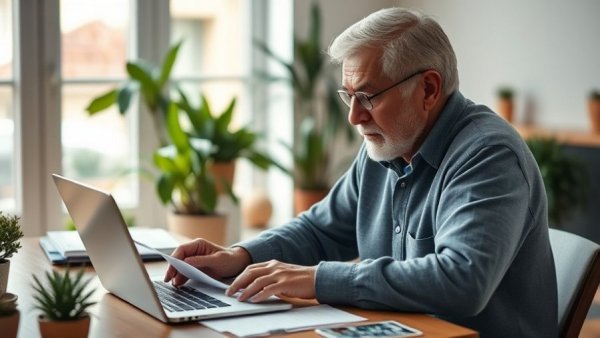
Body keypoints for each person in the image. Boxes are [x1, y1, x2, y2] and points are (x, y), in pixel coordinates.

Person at [164, 7, 557, 337]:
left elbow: (461, 281)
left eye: (367, 96)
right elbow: (321, 229)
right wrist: (242, 255)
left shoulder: (488, 156)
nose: (354, 117)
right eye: (348, 97)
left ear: (429, 90)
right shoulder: (389, 143)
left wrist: (317, 279)